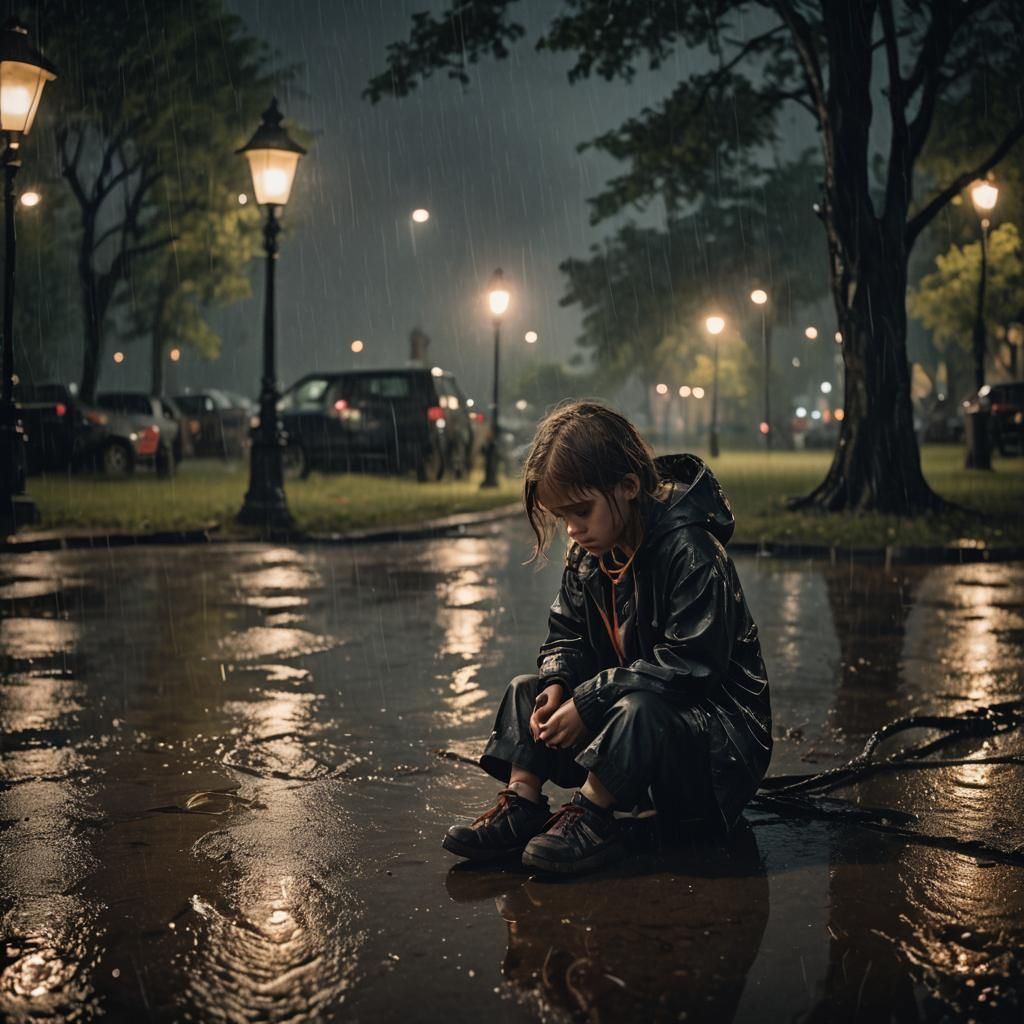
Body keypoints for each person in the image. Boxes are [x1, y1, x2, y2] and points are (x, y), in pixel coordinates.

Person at [442, 400, 772, 875]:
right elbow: (566, 634)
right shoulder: (588, 554)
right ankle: (523, 802)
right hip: (633, 717)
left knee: (642, 708)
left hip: (714, 752)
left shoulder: (692, 552)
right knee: (527, 689)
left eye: (581, 511)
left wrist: (592, 699)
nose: (573, 530)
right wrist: (558, 682)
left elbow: (691, 667)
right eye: (562, 517)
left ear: (629, 487)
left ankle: (593, 814)